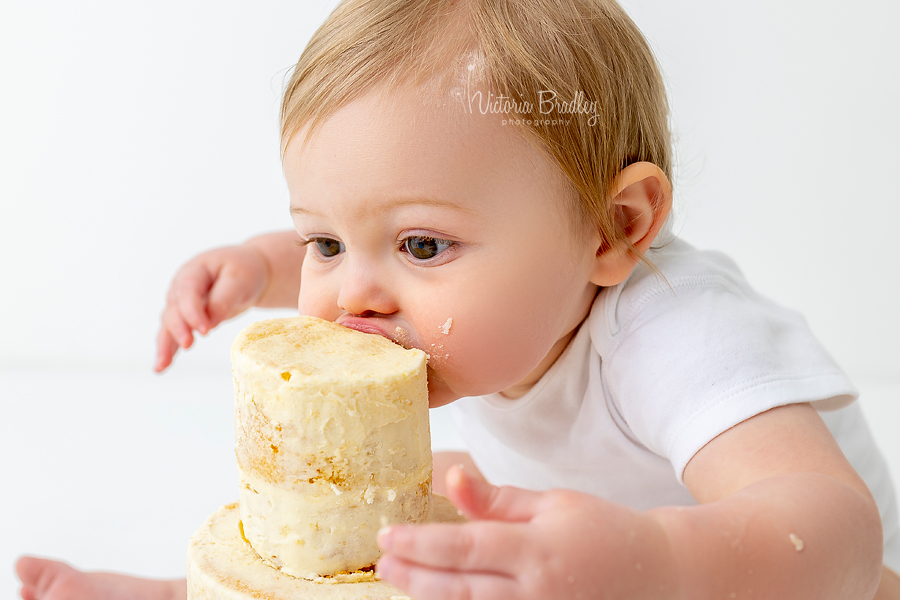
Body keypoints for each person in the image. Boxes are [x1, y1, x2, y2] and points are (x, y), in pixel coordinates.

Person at [16, 0, 900, 598]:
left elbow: (840, 534)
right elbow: (359, 265)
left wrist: (651, 560)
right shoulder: (479, 306)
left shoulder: (679, 336)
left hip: (778, 581)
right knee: (412, 503)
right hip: (580, 560)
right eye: (323, 241)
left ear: (612, 230)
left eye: (423, 245)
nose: (346, 297)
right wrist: (256, 265)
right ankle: (209, 588)